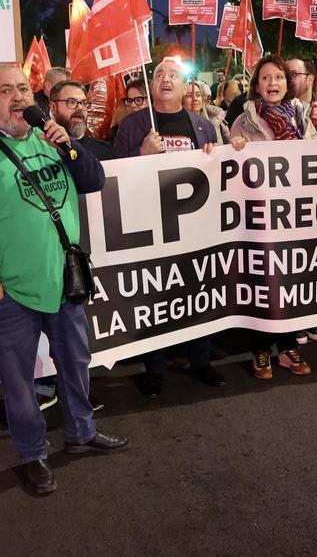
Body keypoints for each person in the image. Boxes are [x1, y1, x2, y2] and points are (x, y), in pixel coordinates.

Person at [0, 64, 127, 495]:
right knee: (20, 381)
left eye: (23, 88)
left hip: (63, 281)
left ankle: (81, 430)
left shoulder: (50, 139)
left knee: (76, 363)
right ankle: (32, 453)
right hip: (9, 293)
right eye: (6, 90)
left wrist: (68, 145)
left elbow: (93, 181)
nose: (18, 96)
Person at [115, 59, 223, 397]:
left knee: (199, 295)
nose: (164, 79)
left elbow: (219, 172)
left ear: (184, 86)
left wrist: (216, 155)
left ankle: (201, 360)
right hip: (151, 228)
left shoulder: (202, 125)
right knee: (155, 301)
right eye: (159, 74)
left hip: (194, 227)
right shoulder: (133, 125)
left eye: (172, 75)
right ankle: (155, 369)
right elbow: (112, 176)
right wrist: (141, 154)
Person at [228, 55, 317, 378]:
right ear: (257, 85)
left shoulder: (302, 118)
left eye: (278, 77)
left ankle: (289, 346)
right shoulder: (243, 122)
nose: (272, 83)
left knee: (289, 280)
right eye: (265, 78)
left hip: (293, 216)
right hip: (260, 218)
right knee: (262, 282)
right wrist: (233, 148)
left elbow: (316, 159)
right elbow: (231, 174)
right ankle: (260, 349)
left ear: (287, 84)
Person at [49, 80, 115, 161]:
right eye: (72, 102)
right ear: (53, 107)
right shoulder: (41, 150)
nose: (80, 108)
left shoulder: (104, 151)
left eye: (84, 103)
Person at [184, 79, 229, 145]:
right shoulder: (178, 123)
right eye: (190, 96)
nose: (195, 99)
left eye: (198, 95)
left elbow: (229, 141)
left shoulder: (216, 117)